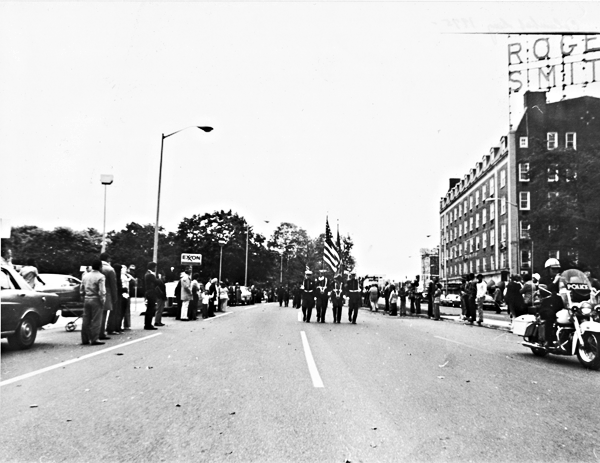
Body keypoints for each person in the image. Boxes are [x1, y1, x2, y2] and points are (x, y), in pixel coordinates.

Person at [80, 259, 107, 345]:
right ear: (100, 267)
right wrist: (103, 300)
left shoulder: (85, 276)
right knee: (96, 319)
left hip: (87, 298)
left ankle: (85, 339)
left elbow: (81, 289)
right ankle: (95, 338)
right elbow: (102, 291)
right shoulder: (101, 276)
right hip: (96, 299)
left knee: (86, 319)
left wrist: (83, 297)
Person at [538, 258, 564, 346]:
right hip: (547, 305)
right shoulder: (543, 280)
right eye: (553, 269)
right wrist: (554, 281)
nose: (556, 271)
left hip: (560, 304)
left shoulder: (562, 279)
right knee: (550, 316)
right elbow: (544, 291)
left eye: (557, 269)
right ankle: (548, 340)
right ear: (548, 269)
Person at [99, 253, 118, 340]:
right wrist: (115, 296)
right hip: (106, 292)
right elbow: (113, 285)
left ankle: (93, 332)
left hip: (94, 293)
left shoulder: (94, 267)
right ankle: (101, 332)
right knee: (104, 313)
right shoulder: (110, 269)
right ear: (107, 258)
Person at [107, 264, 124, 335]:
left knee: (115, 312)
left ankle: (115, 327)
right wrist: (123, 289)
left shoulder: (115, 275)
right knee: (115, 312)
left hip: (117, 295)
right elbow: (116, 286)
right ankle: (113, 327)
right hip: (117, 295)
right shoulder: (116, 276)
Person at [143, 262, 160, 330]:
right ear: (152, 267)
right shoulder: (150, 275)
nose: (155, 269)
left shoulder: (147, 274)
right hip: (151, 293)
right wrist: (159, 278)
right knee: (151, 309)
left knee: (149, 309)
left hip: (149, 292)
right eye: (155, 267)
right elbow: (157, 282)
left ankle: (147, 324)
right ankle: (148, 324)